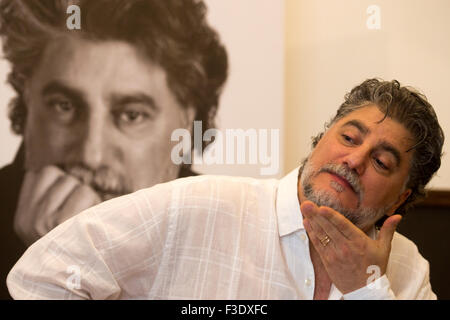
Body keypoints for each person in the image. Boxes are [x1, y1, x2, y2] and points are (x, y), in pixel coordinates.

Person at [7, 78, 444, 300]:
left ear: (401, 196)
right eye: (348, 138)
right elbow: (42, 276)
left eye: (382, 161)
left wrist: (364, 289)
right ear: (320, 141)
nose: (354, 160)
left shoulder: (406, 269)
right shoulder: (200, 205)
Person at [0, 0, 228, 299]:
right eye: (64, 107)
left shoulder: (232, 240)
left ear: (187, 120)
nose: (91, 154)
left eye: (131, 115)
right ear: (27, 100)